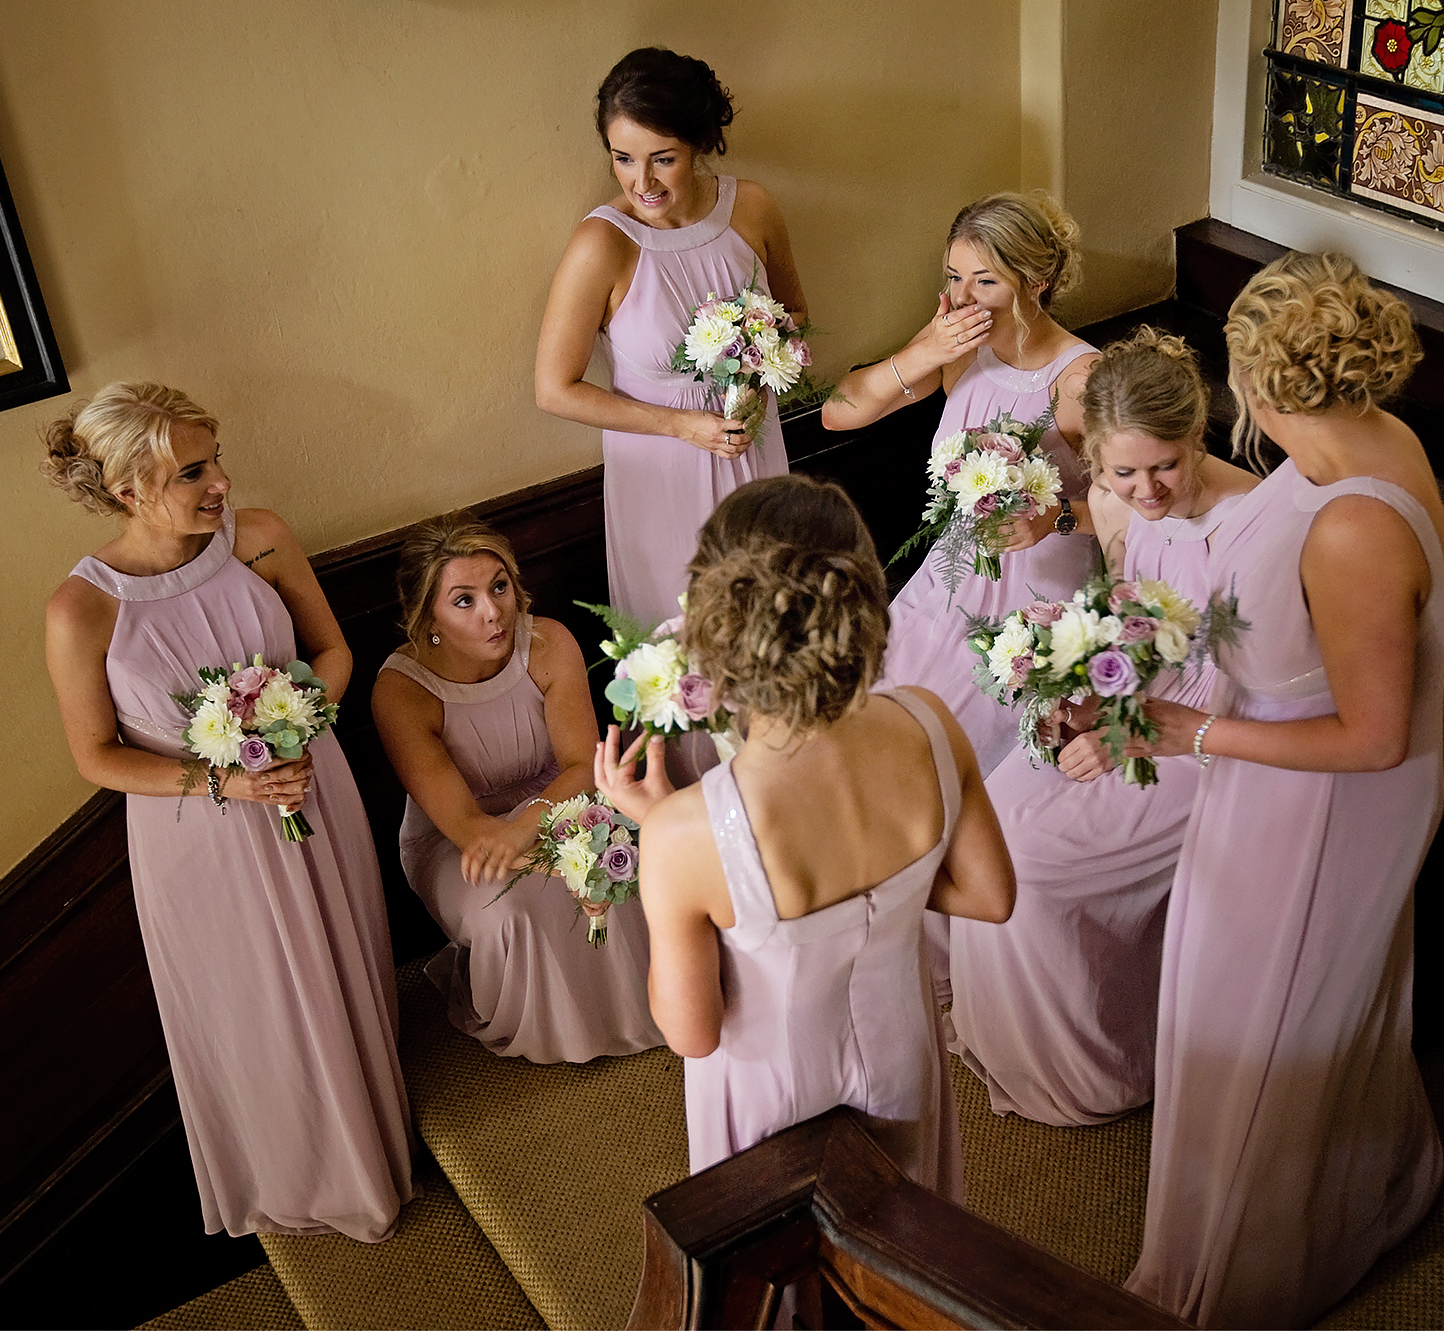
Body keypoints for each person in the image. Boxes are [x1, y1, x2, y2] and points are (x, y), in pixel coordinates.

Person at [1124, 253, 1444, 1328]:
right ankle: (1357, 1181)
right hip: (1275, 778)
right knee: (1289, 1007)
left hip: (1321, 807)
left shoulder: (1354, 518)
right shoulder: (1358, 438)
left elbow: (1371, 736)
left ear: (1253, 384)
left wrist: (1195, 730)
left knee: (1266, 1016)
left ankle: (1243, 1270)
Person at [41, 383, 412, 1241]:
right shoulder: (82, 609)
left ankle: (378, 1127)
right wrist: (226, 783)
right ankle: (307, 1172)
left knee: (343, 952)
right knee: (256, 1000)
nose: (221, 484)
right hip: (200, 836)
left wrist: (297, 723)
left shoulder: (263, 537)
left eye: (217, 459)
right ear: (130, 488)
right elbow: (95, 755)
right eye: (194, 471)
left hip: (311, 787)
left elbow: (332, 651)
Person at [596, 474, 1015, 1197]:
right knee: (907, 1237)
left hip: (770, 1101)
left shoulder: (683, 831)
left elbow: (691, 1031)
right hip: (902, 1060)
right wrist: (887, 885)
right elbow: (989, 893)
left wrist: (671, 834)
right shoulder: (928, 721)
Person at [948, 330, 1258, 1127]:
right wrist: (1076, 691)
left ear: (1197, 436)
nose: (1145, 489)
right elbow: (1127, 618)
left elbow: (1266, 682)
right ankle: (1016, 1045)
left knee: (1039, 868)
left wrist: (1132, 735)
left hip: (1216, 733)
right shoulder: (1117, 502)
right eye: (1121, 472)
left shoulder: (1254, 523)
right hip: (1135, 693)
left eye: (1165, 465)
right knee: (988, 820)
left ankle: (1103, 1066)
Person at [371, 513, 664, 1062]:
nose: (493, 613)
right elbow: (466, 825)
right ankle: (561, 1029)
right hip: (455, 836)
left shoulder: (549, 643)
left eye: (499, 587)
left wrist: (541, 831)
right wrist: (538, 858)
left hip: (563, 801)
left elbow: (581, 764)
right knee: (512, 908)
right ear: (427, 615)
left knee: (621, 867)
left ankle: (642, 1003)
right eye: (464, 600)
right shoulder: (400, 691)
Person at [823, 191, 1098, 774]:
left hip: (1035, 602)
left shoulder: (1080, 380)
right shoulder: (957, 352)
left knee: (944, 758)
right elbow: (838, 414)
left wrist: (1055, 516)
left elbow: (1140, 508)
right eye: (954, 277)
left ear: (1036, 280)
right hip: (948, 586)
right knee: (870, 726)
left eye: (985, 282)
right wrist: (925, 349)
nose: (964, 299)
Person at [536, 46, 808, 629]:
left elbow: (795, 321)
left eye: (663, 159)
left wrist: (760, 383)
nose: (643, 181)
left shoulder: (752, 208)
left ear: (699, 145)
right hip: (660, 471)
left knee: (771, 625)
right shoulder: (601, 245)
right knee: (687, 647)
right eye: (623, 159)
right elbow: (553, 389)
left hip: (753, 447)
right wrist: (684, 425)